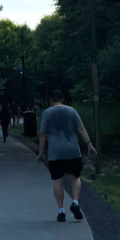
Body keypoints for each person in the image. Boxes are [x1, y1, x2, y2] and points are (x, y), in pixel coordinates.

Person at [37, 89, 97, 222]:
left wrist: (41, 152)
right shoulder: (71, 111)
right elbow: (81, 128)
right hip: (72, 150)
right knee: (75, 178)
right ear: (63, 99)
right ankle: (75, 202)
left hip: (55, 152)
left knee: (58, 180)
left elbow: (43, 134)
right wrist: (89, 144)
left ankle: (61, 211)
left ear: (51, 100)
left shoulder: (47, 113)